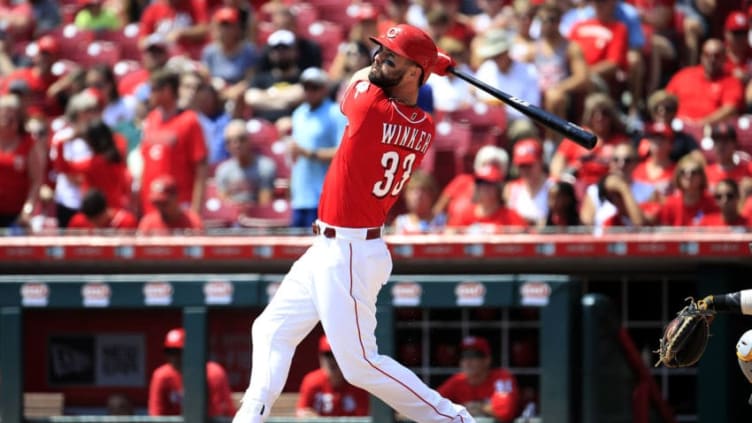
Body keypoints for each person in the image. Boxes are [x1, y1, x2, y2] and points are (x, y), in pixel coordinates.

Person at [232, 24, 475, 423]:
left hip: (348, 250)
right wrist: (428, 62)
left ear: (414, 72)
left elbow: (360, 79)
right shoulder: (425, 127)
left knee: (360, 364)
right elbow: (387, 79)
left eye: (390, 57)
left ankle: (455, 419)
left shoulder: (369, 106)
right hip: (337, 247)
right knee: (271, 329)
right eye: (380, 51)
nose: (377, 59)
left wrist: (432, 61)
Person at [288, 67, 346, 228]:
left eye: (315, 87)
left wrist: (309, 153)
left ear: (324, 89)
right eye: (306, 87)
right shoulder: (298, 113)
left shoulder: (335, 113)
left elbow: (343, 152)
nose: (310, 92)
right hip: (300, 195)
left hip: (323, 194)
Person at [148, 327, 236, 417]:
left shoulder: (213, 373)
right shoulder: (161, 376)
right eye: (170, 352)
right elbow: (156, 415)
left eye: (179, 352)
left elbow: (220, 414)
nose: (174, 358)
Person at [437, 336, 520, 422]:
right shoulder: (457, 380)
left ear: (487, 360)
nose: (467, 362)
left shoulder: (501, 378)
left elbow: (505, 412)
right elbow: (434, 406)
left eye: (474, 356)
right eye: (463, 356)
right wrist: (464, 408)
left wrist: (477, 407)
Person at [296, 335, 370, 417]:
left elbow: (364, 417)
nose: (331, 361)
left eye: (335, 355)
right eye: (327, 355)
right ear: (320, 357)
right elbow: (302, 413)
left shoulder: (357, 382)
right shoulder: (312, 381)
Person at [137, 175, 204, 234]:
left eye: (164, 203)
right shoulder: (148, 223)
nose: (160, 207)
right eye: (157, 203)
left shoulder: (192, 222)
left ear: (176, 198)